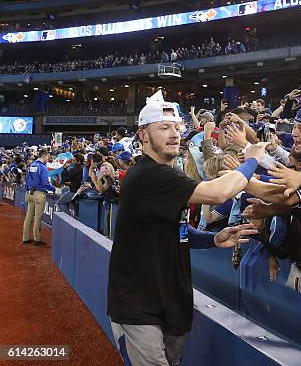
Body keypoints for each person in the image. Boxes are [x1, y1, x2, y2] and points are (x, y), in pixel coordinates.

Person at [107, 92, 266, 366]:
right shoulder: (148, 174)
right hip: (138, 302)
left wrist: (212, 239)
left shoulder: (168, 175)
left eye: (176, 127)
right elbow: (219, 193)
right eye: (164, 128)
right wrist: (251, 160)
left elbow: (177, 228)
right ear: (144, 136)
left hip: (171, 299)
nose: (174, 134)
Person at [22, 148, 55, 245]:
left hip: (29, 193)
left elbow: (27, 179)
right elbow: (45, 182)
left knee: (28, 216)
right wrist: (53, 189)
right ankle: (37, 239)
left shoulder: (32, 165)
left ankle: (25, 238)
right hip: (38, 194)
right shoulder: (43, 167)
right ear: (44, 156)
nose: (48, 159)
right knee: (37, 217)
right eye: (47, 157)